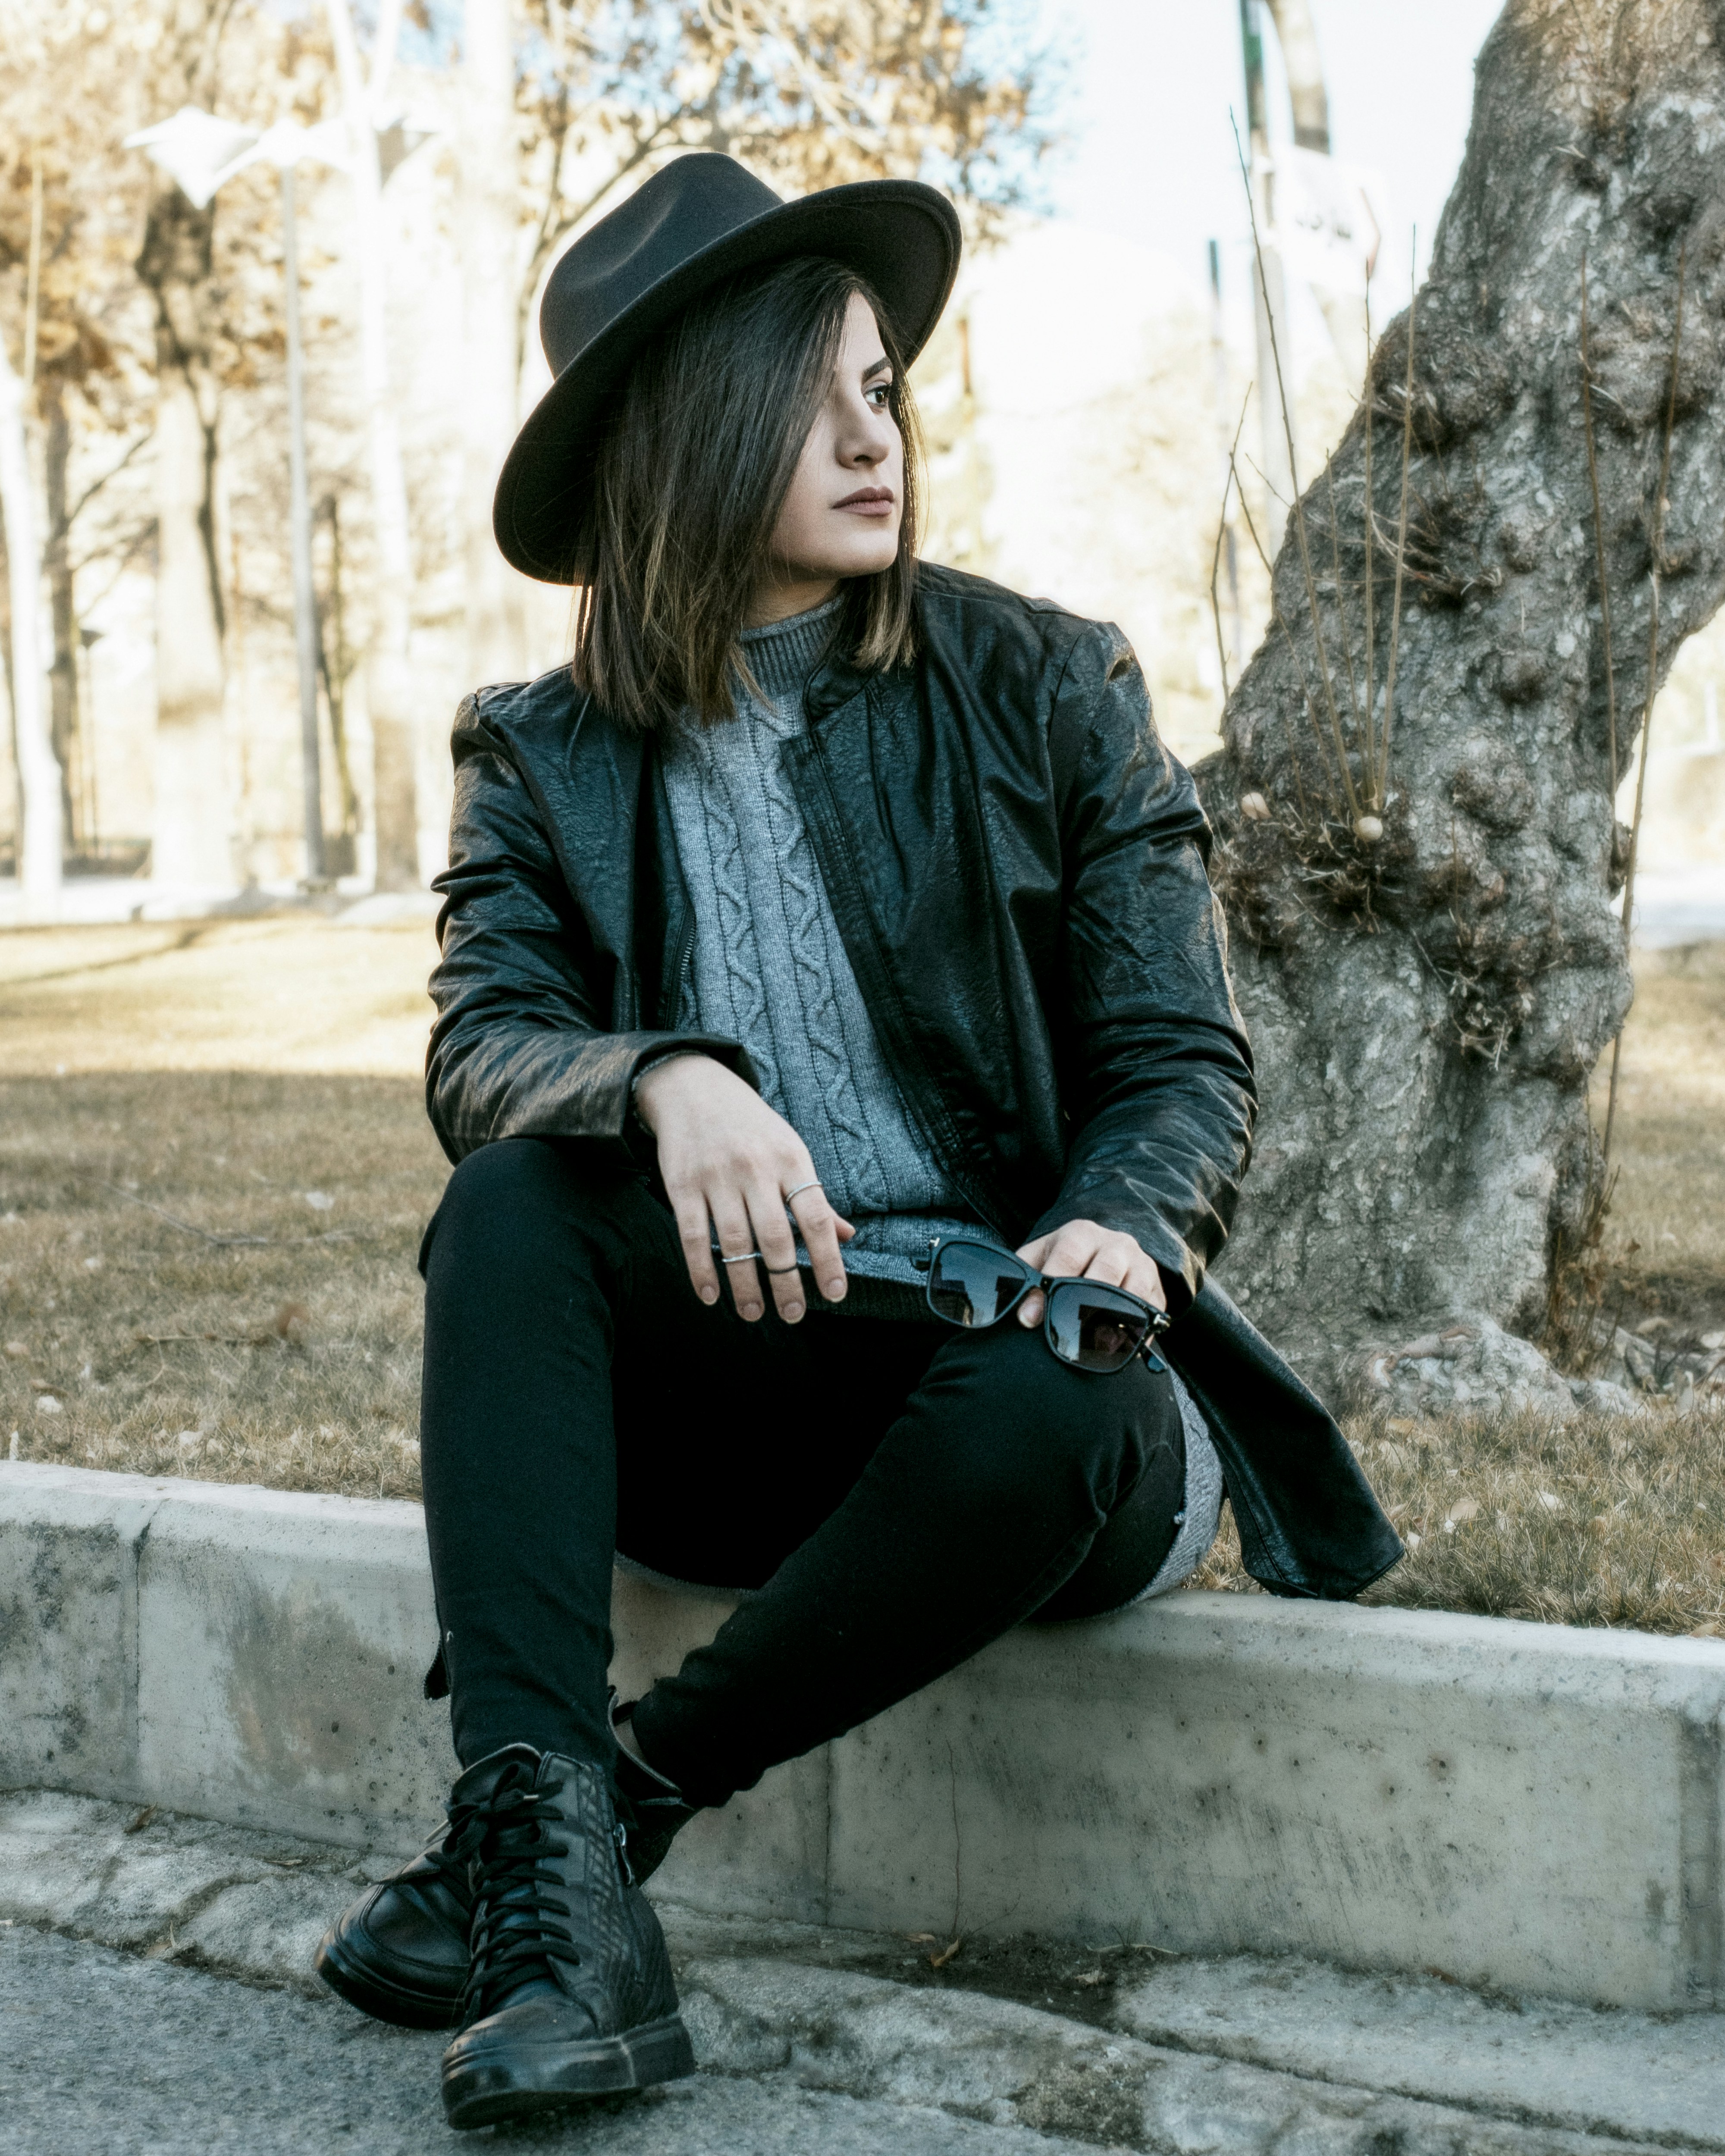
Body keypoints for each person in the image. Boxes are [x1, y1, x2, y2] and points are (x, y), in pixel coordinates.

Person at [314, 150, 1401, 2131]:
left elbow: (1177, 1057)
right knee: (510, 1211)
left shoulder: (1045, 680)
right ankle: (558, 1904)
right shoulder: (542, 755)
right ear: (683, 424)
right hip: (756, 1401)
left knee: (1056, 1374)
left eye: (882, 384)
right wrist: (662, 1073)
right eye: (808, 390)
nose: (868, 431)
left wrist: (1121, 1230)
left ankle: (571, 1855)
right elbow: (484, 1047)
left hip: (1031, 1410)